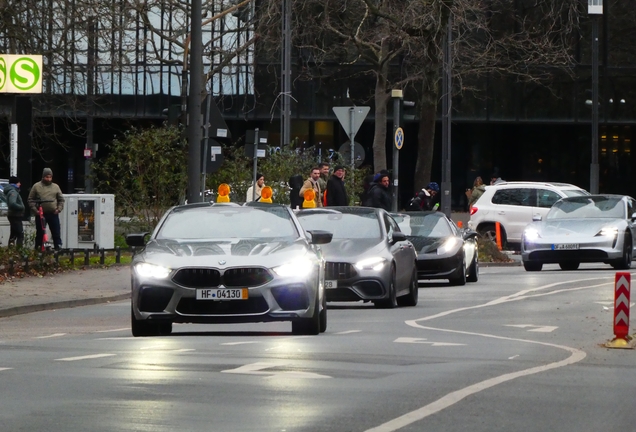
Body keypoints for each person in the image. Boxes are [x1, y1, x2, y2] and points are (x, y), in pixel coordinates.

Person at [28, 168, 65, 250]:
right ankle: (38, 248)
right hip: (41, 214)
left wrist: (58, 209)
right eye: (47, 177)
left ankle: (58, 247)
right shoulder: (36, 186)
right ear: (43, 176)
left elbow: (61, 200)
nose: (48, 179)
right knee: (40, 233)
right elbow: (30, 200)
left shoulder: (55, 187)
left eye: (50, 177)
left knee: (56, 232)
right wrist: (35, 210)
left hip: (53, 213)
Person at [4, 175, 25, 247]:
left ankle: (11, 250)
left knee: (13, 234)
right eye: (19, 182)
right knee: (20, 234)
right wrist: (21, 207)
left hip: (13, 215)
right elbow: (12, 203)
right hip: (15, 215)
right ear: (15, 183)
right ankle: (19, 250)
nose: (20, 184)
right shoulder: (13, 192)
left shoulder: (10, 191)